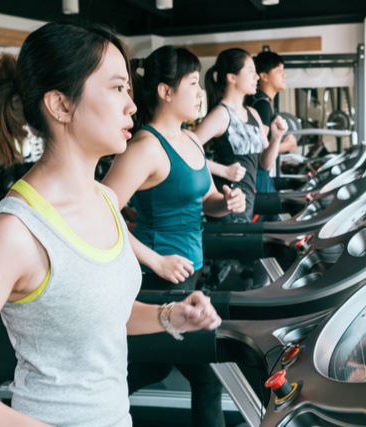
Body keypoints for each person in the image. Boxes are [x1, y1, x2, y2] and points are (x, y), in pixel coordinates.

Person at [0, 23, 221, 427]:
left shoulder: (105, 201)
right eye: (116, 89)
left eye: (129, 90)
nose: (131, 105)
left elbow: (99, 314)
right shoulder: (14, 233)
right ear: (60, 104)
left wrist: (170, 315)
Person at [102, 45, 246, 427]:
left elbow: (207, 202)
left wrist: (227, 202)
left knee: (153, 368)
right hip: (154, 280)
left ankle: (90, 402)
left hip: (189, 275)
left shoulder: (192, 141)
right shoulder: (146, 148)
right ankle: (87, 405)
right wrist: (154, 259)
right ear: (166, 91)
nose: (202, 93)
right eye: (194, 84)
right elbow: (99, 214)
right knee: (205, 375)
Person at [194, 48, 288, 222]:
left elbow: (265, 164)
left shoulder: (252, 113)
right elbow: (184, 151)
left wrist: (276, 137)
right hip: (227, 203)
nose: (257, 77)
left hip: (246, 204)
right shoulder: (221, 114)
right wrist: (223, 170)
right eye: (251, 71)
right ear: (232, 77)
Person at [245, 50, 297, 195]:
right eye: (279, 70)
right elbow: (258, 148)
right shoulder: (262, 105)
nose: (284, 74)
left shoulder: (261, 101)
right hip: (258, 176)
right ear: (263, 76)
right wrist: (285, 146)